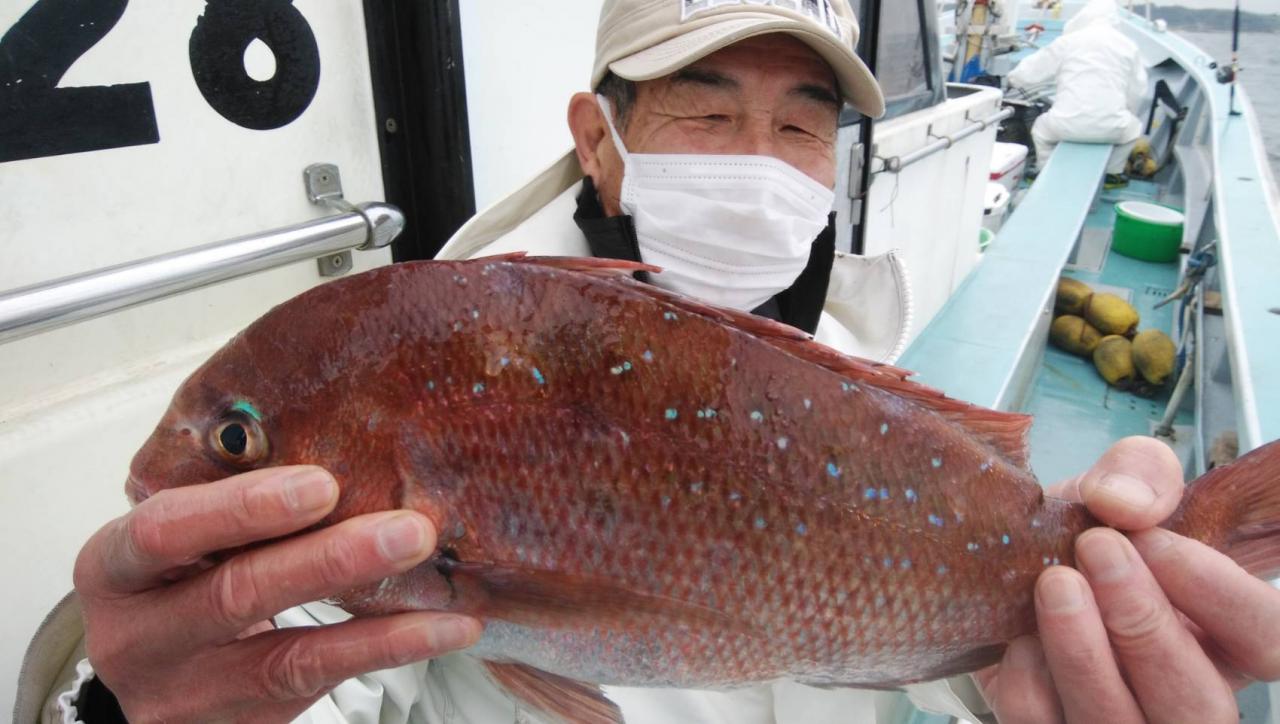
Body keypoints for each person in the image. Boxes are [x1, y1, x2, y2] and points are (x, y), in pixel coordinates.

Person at [18, 1, 1278, 723]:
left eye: (800, 123)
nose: (758, 157)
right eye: (706, 107)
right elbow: (286, 665)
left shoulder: (850, 369)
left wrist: (1061, 656)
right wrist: (130, 707)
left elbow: (910, 651)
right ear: (599, 140)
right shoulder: (421, 374)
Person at [1008, 0, 1148, 182]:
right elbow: (1138, 90)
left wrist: (1013, 78)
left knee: (1041, 129)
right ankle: (1113, 173)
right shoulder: (1128, 46)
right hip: (1112, 130)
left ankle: (1043, 169)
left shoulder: (1067, 42)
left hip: (1064, 127)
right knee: (1133, 129)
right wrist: (1125, 112)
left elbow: (1025, 74)